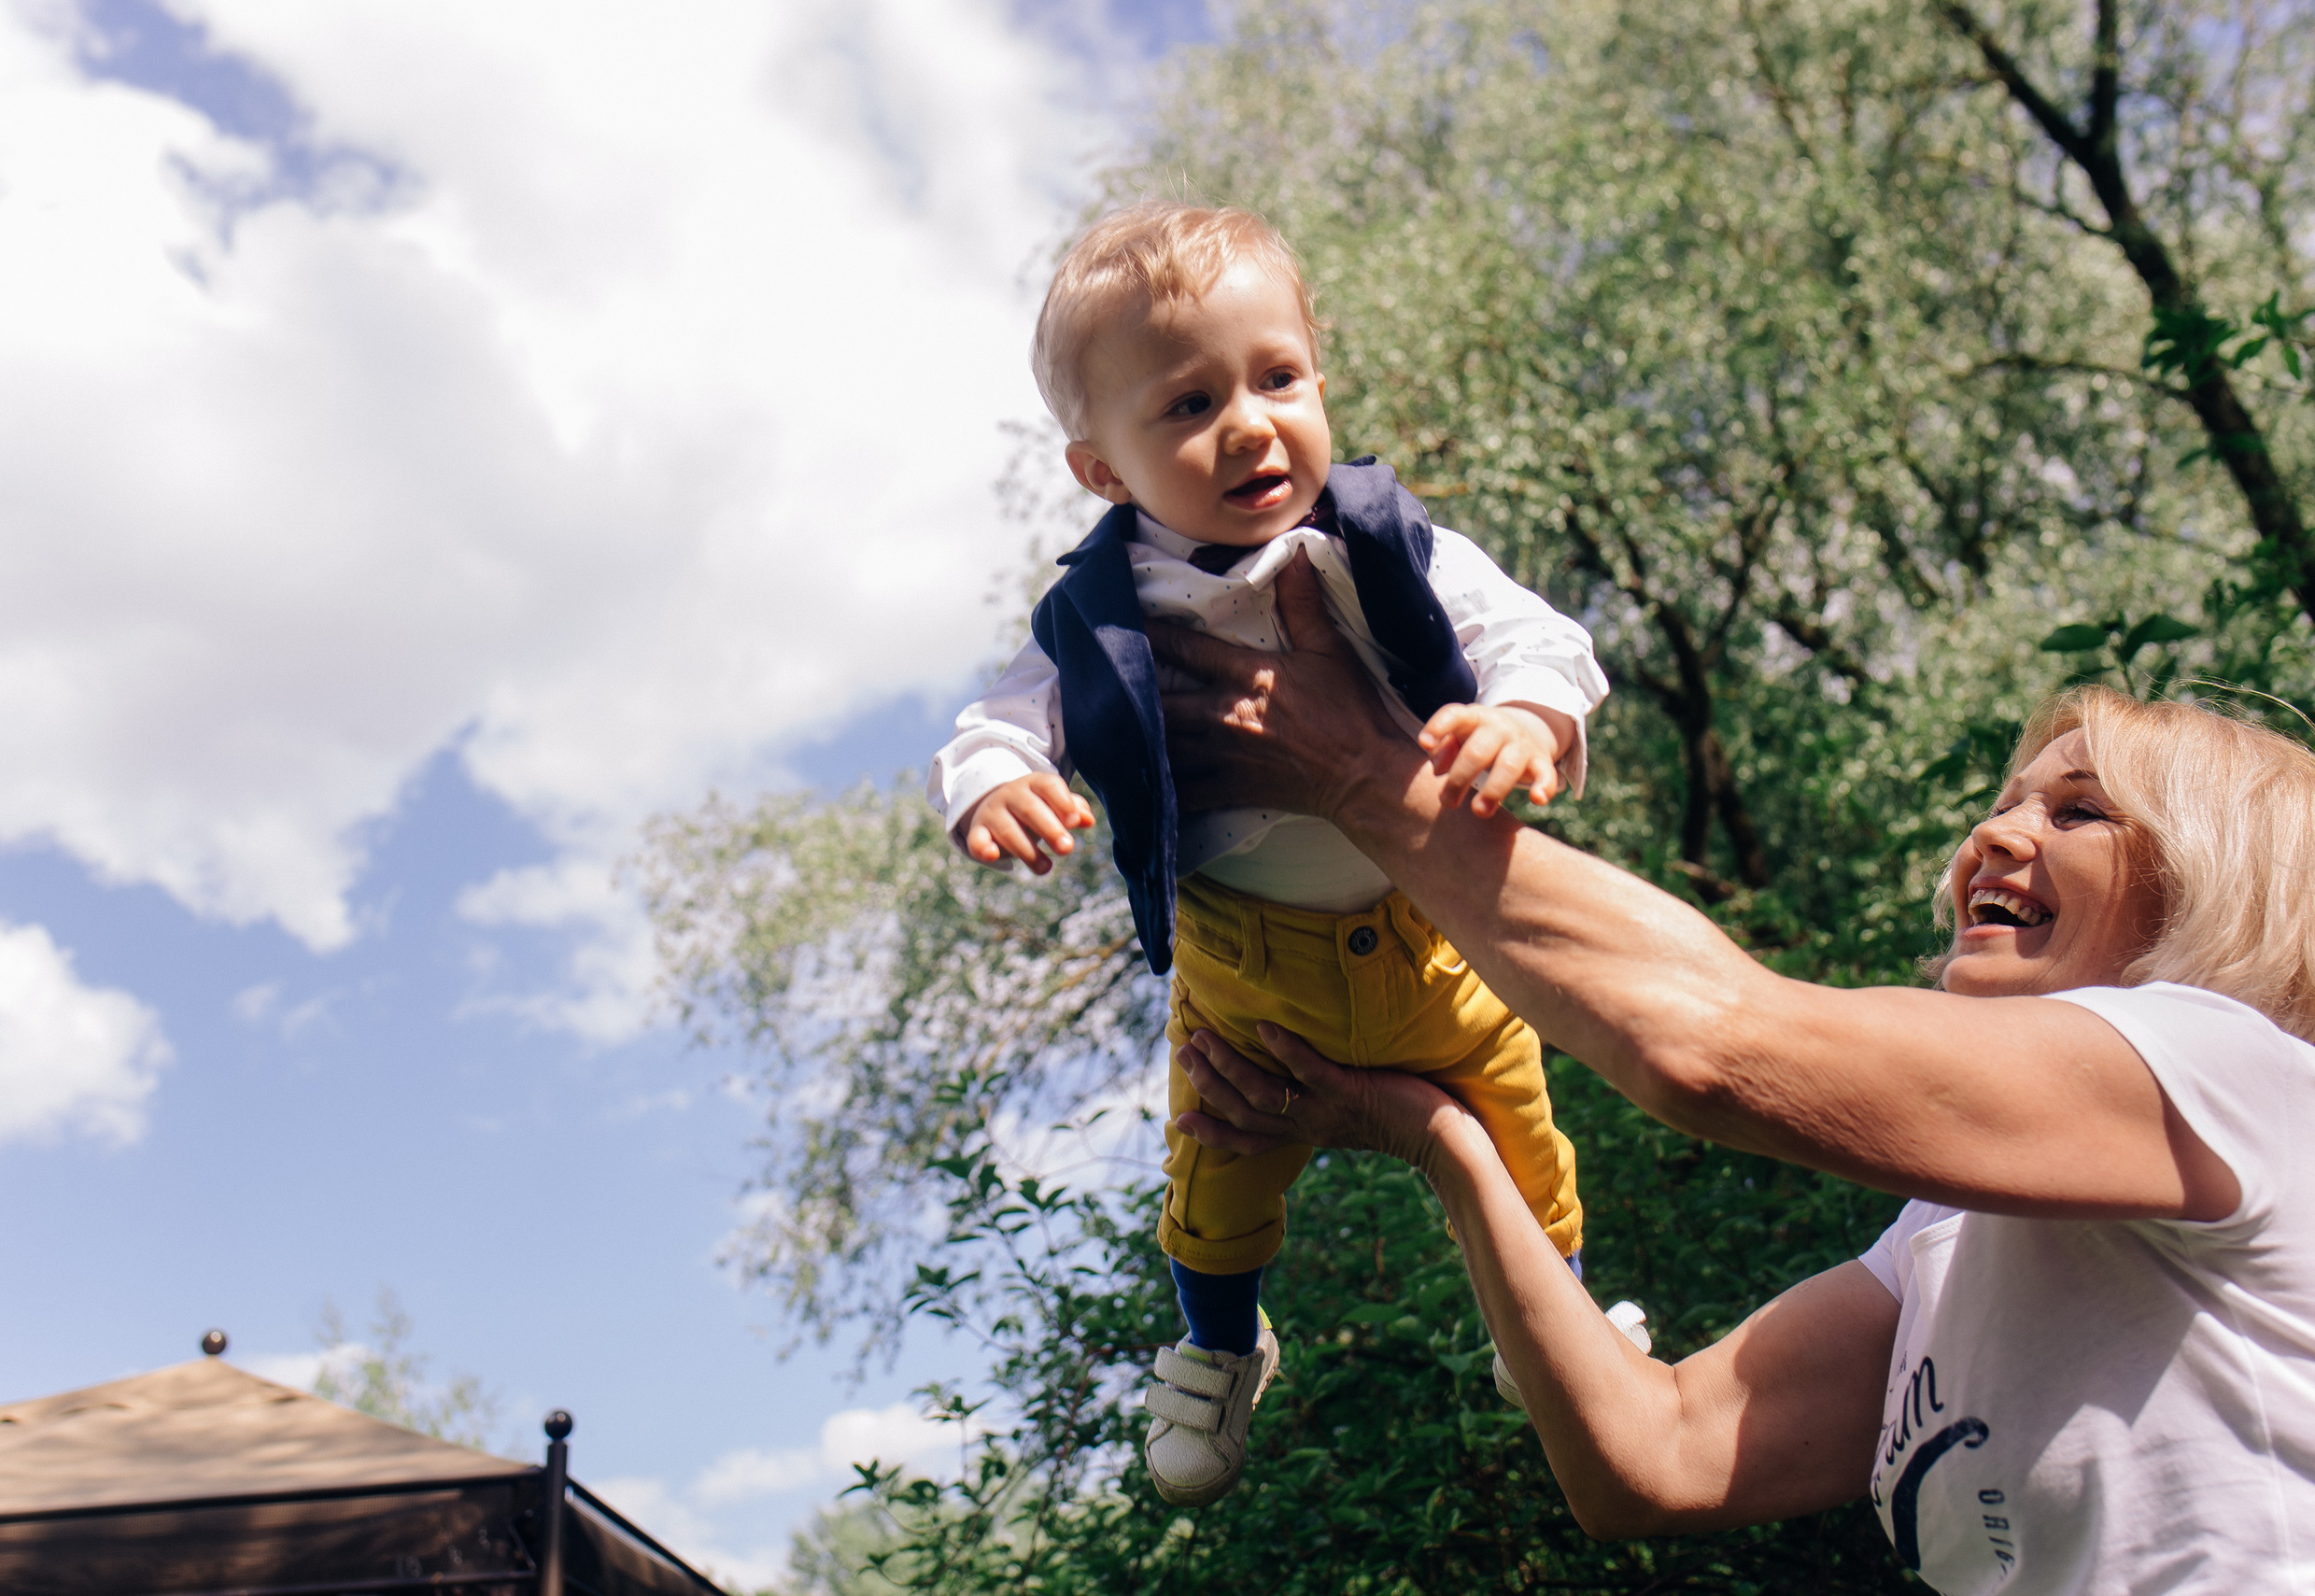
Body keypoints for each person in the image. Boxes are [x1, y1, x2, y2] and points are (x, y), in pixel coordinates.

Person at [1152, 558, 2315, 1591]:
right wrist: (1440, 1135)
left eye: (2078, 812)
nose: (1994, 838)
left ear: (2216, 883)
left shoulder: (2236, 1073)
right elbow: (1653, 1456)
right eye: (2002, 804)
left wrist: (1365, 779)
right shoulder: (1941, 1239)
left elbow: (1710, 1041)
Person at [925, 202, 1613, 1507]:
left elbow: (1538, 638)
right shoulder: (1099, 604)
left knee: (1524, 1140)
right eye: (1186, 405)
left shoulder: (1383, 542)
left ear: (1318, 376)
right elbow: (999, 720)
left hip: (1428, 933)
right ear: (1104, 470)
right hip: (1244, 969)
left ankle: (1553, 1325)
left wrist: (1525, 715)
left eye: (1277, 378)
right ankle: (1221, 1345)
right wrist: (1001, 784)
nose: (1249, 424)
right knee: (1215, 1166)